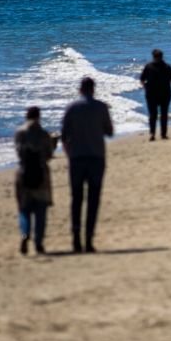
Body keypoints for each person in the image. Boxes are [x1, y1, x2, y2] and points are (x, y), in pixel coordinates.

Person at [61, 76, 115, 253]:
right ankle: (89, 240)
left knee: (76, 198)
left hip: (76, 158)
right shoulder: (101, 107)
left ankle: (76, 239)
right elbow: (109, 132)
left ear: (80, 89)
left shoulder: (72, 108)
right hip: (96, 157)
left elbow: (64, 135)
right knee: (93, 199)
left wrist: (69, 153)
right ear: (94, 89)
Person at [13, 106, 56, 255]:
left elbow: (18, 152)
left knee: (24, 209)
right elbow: (49, 155)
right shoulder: (44, 134)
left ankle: (25, 234)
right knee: (40, 210)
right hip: (41, 174)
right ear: (39, 117)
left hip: (23, 172)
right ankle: (39, 242)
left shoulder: (19, 133)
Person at [139, 49, 171, 141]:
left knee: (153, 115)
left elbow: (142, 80)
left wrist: (146, 88)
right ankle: (162, 134)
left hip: (152, 94)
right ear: (162, 56)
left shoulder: (149, 67)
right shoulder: (167, 67)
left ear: (153, 57)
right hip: (164, 94)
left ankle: (153, 134)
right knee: (163, 114)